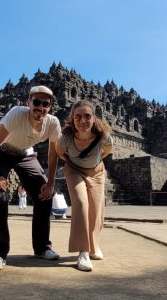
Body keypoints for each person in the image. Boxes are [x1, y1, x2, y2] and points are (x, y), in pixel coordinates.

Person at [0, 85, 61, 271]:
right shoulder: (16, 114)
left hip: (26, 154)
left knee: (45, 195)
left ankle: (42, 247)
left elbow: (53, 154)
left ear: (50, 106)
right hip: (3, 151)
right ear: (29, 102)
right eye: (36, 102)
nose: (40, 107)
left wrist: (50, 183)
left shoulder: (52, 123)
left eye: (45, 103)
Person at [56, 100, 113, 272]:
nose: (83, 121)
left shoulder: (103, 135)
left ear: (94, 118)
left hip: (96, 172)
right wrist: (73, 163)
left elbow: (107, 150)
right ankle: (83, 252)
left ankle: (94, 245)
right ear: (72, 119)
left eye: (87, 116)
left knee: (96, 211)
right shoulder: (65, 138)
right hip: (74, 170)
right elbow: (60, 152)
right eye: (78, 117)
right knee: (81, 203)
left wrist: (94, 162)